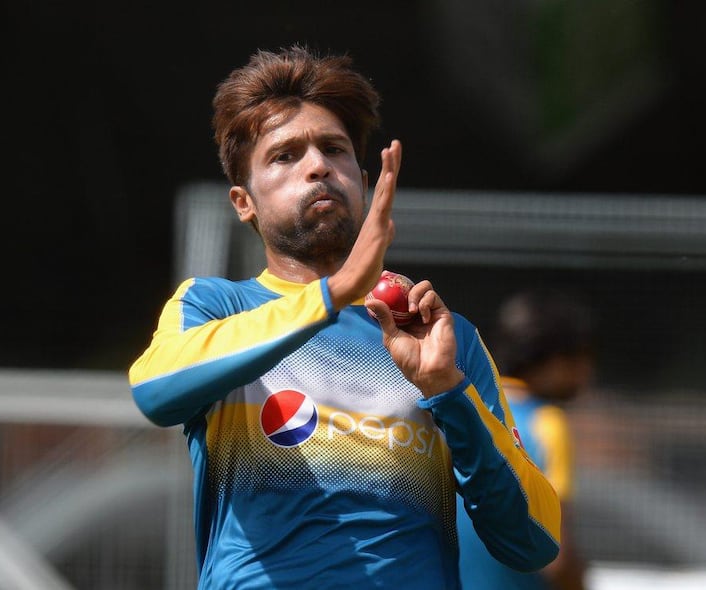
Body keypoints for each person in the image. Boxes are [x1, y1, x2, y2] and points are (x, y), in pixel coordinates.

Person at [128, 45, 561, 589]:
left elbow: (533, 541)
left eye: (332, 149)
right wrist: (332, 294)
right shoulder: (217, 307)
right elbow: (153, 390)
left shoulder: (442, 340)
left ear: (360, 177)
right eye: (284, 156)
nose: (316, 166)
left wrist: (446, 387)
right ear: (244, 202)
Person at [457, 288, 595, 590]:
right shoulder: (547, 424)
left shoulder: (462, 407)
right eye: (582, 358)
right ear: (555, 360)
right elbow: (557, 559)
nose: (587, 372)